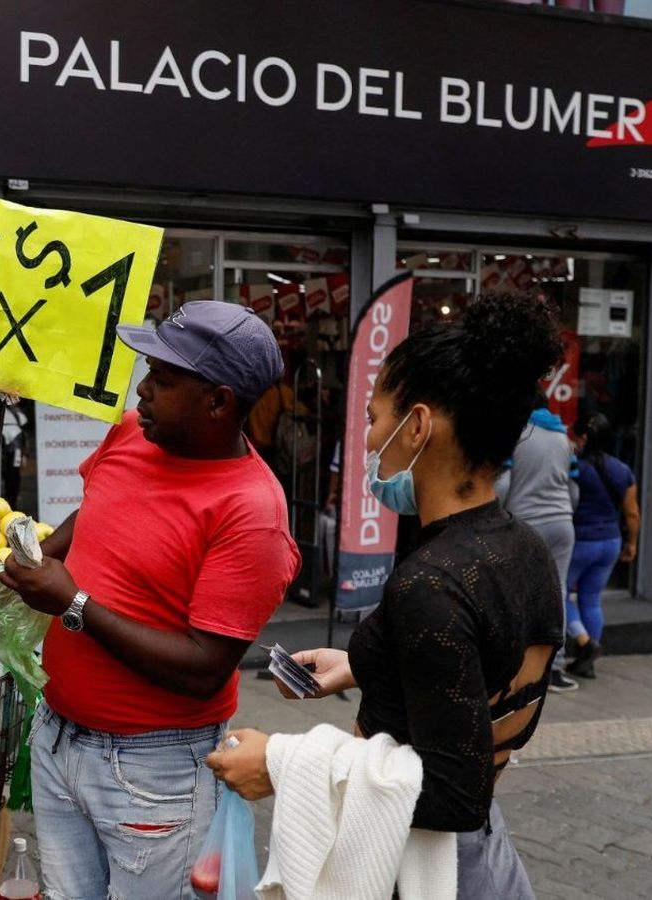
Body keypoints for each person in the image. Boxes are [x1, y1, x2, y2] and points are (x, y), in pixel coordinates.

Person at [207, 293, 565, 900]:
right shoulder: (524, 548)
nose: (371, 442)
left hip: (425, 870)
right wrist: (362, 666)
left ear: (418, 427)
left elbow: (453, 792)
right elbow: (477, 672)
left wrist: (279, 763)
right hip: (486, 856)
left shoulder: (432, 582)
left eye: (375, 419)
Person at [0, 301, 299, 900]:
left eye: (161, 379)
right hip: (57, 737)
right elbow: (98, 506)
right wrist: (42, 555)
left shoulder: (252, 514)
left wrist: (74, 603)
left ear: (218, 402)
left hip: (153, 772)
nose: (142, 390)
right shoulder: (135, 431)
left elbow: (203, 668)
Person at [496, 395, 580, 692]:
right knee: (559, 592)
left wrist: (498, 514)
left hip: (526, 524)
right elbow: (574, 489)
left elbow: (503, 483)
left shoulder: (517, 434)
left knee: (518, 595)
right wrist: (564, 512)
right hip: (563, 524)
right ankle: (555, 670)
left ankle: (518, 669)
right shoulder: (563, 437)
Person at [565, 413, 639, 680]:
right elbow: (632, 513)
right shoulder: (622, 470)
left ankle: (585, 643)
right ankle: (587, 663)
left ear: (583, 438)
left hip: (581, 541)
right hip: (610, 542)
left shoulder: (576, 468)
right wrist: (631, 543)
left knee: (559, 594)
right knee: (591, 599)